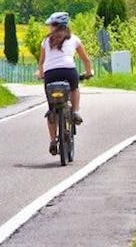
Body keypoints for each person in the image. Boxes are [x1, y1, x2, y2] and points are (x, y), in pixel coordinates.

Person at [34, 12, 93, 156]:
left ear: (56, 26)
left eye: (51, 25)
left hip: (50, 75)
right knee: (74, 88)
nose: (50, 28)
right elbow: (85, 60)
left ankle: (53, 140)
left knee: (52, 109)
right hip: (69, 71)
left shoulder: (45, 41)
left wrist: (40, 73)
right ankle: (76, 112)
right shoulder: (74, 39)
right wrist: (88, 72)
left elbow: (41, 62)